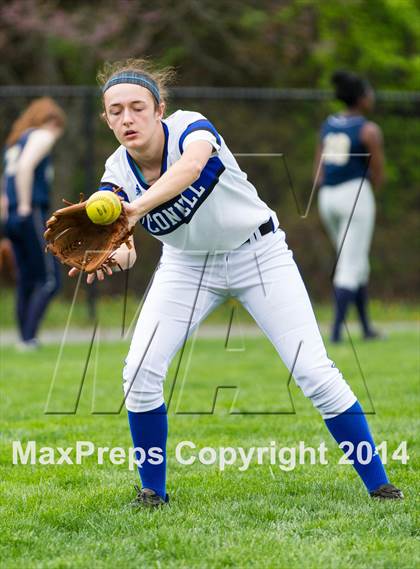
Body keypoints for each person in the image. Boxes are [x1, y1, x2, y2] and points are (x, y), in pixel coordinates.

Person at [70, 59, 402, 507]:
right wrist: (110, 254)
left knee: (313, 371)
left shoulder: (190, 127)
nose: (127, 118)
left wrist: (133, 210)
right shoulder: (117, 174)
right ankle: (152, 492)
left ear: (159, 109)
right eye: (115, 111)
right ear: (105, 118)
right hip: (187, 266)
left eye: (137, 107)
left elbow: (188, 170)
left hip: (258, 254)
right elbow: (126, 247)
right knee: (139, 371)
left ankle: (380, 485)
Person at [314, 70, 384, 343]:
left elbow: (317, 170)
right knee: (350, 264)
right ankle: (335, 334)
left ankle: (366, 328)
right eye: (368, 92)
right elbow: (378, 173)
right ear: (361, 98)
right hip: (354, 194)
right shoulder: (368, 129)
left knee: (355, 261)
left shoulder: (328, 125)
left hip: (326, 197)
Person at [3, 97, 66, 349]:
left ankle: (24, 338)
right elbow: (26, 168)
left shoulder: (15, 142)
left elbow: (7, 178)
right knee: (50, 279)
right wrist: (26, 206)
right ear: (51, 122)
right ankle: (29, 339)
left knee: (27, 279)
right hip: (30, 212)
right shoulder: (42, 135)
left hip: (11, 217)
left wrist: (12, 212)